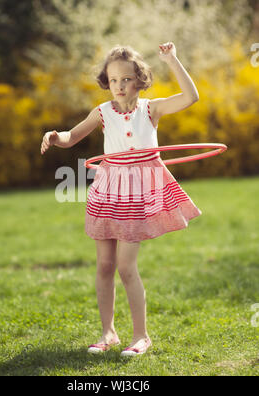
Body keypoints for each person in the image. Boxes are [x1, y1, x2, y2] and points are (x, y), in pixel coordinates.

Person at [40, 42, 202, 356]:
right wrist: (54, 136)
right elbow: (72, 136)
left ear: (139, 81)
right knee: (104, 265)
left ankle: (141, 336)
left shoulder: (151, 109)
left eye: (126, 80)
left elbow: (191, 97)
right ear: (107, 82)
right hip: (108, 191)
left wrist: (172, 59)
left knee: (126, 267)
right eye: (113, 80)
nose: (119, 86)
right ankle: (108, 334)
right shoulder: (101, 113)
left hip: (139, 193)